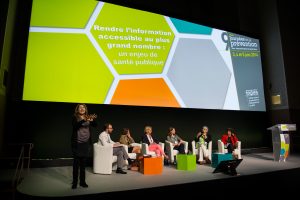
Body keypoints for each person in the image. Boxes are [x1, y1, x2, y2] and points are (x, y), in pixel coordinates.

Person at [71, 103, 97, 189]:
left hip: (86, 144)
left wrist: (92, 120)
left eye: (83, 107)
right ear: (77, 109)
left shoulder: (88, 117)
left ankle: (82, 182)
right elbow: (75, 126)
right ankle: (74, 182)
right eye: (80, 107)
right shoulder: (75, 117)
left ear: (85, 109)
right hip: (77, 144)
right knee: (76, 164)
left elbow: (95, 125)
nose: (82, 108)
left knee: (83, 164)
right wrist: (84, 119)